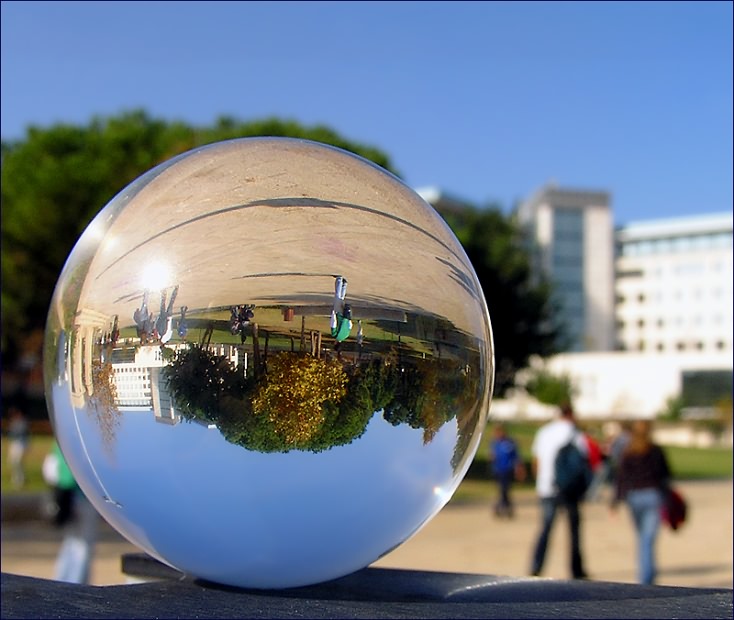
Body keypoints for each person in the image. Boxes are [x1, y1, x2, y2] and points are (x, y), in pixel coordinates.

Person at [529, 402, 590, 579]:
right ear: (571, 414)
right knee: (574, 531)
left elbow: (536, 461)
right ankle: (576, 569)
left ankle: (536, 566)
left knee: (546, 528)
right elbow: (582, 462)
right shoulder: (575, 433)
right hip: (568, 489)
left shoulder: (544, 432)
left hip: (546, 487)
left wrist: (540, 482)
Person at [610, 419, 672, 585]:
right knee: (648, 538)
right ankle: (647, 576)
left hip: (635, 497)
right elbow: (665, 476)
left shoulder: (628, 452)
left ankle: (646, 576)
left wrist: (615, 501)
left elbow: (621, 478)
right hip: (653, 496)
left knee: (642, 537)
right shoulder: (656, 451)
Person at [42, 441, 99, 584]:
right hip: (80, 496)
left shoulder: (60, 440)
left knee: (71, 541)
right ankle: (76, 583)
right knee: (83, 545)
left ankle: (63, 579)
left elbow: (50, 468)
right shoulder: (82, 442)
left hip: (66, 495)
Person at [488, 424, 523, 518]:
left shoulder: (510, 443)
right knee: (502, 490)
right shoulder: (495, 443)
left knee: (505, 489)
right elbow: (492, 456)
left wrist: (518, 469)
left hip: (507, 470)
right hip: (498, 470)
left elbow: (516, 457)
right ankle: (505, 506)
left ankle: (502, 506)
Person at [6, 404, 30, 488]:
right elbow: (10, 434)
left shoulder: (23, 422)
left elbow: (20, 433)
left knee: (18, 462)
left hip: (21, 443)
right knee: (13, 462)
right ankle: (16, 478)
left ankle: (20, 479)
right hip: (15, 443)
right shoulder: (13, 422)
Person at [330, 275, 352, 343]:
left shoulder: (346, 335)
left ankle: (344, 285)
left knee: (341, 299)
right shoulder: (335, 335)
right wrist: (333, 314)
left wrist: (347, 318)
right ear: (335, 344)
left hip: (345, 315)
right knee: (337, 296)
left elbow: (350, 325)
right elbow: (333, 324)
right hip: (338, 314)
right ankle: (339, 280)